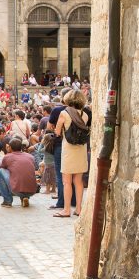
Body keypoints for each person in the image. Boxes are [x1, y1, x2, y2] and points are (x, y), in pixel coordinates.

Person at [53, 90, 91, 218]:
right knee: (78, 181)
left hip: (68, 149)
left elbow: (57, 132)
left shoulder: (64, 113)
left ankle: (66, 209)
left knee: (66, 181)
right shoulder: (85, 115)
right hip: (81, 149)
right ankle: (79, 209)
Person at [0, 138, 39, 207]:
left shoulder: (8, 156)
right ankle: (24, 197)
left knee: (1, 170)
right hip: (32, 190)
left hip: (16, 190)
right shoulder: (30, 156)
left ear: (10, 147)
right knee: (22, 172)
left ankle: (7, 201)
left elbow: (1, 167)